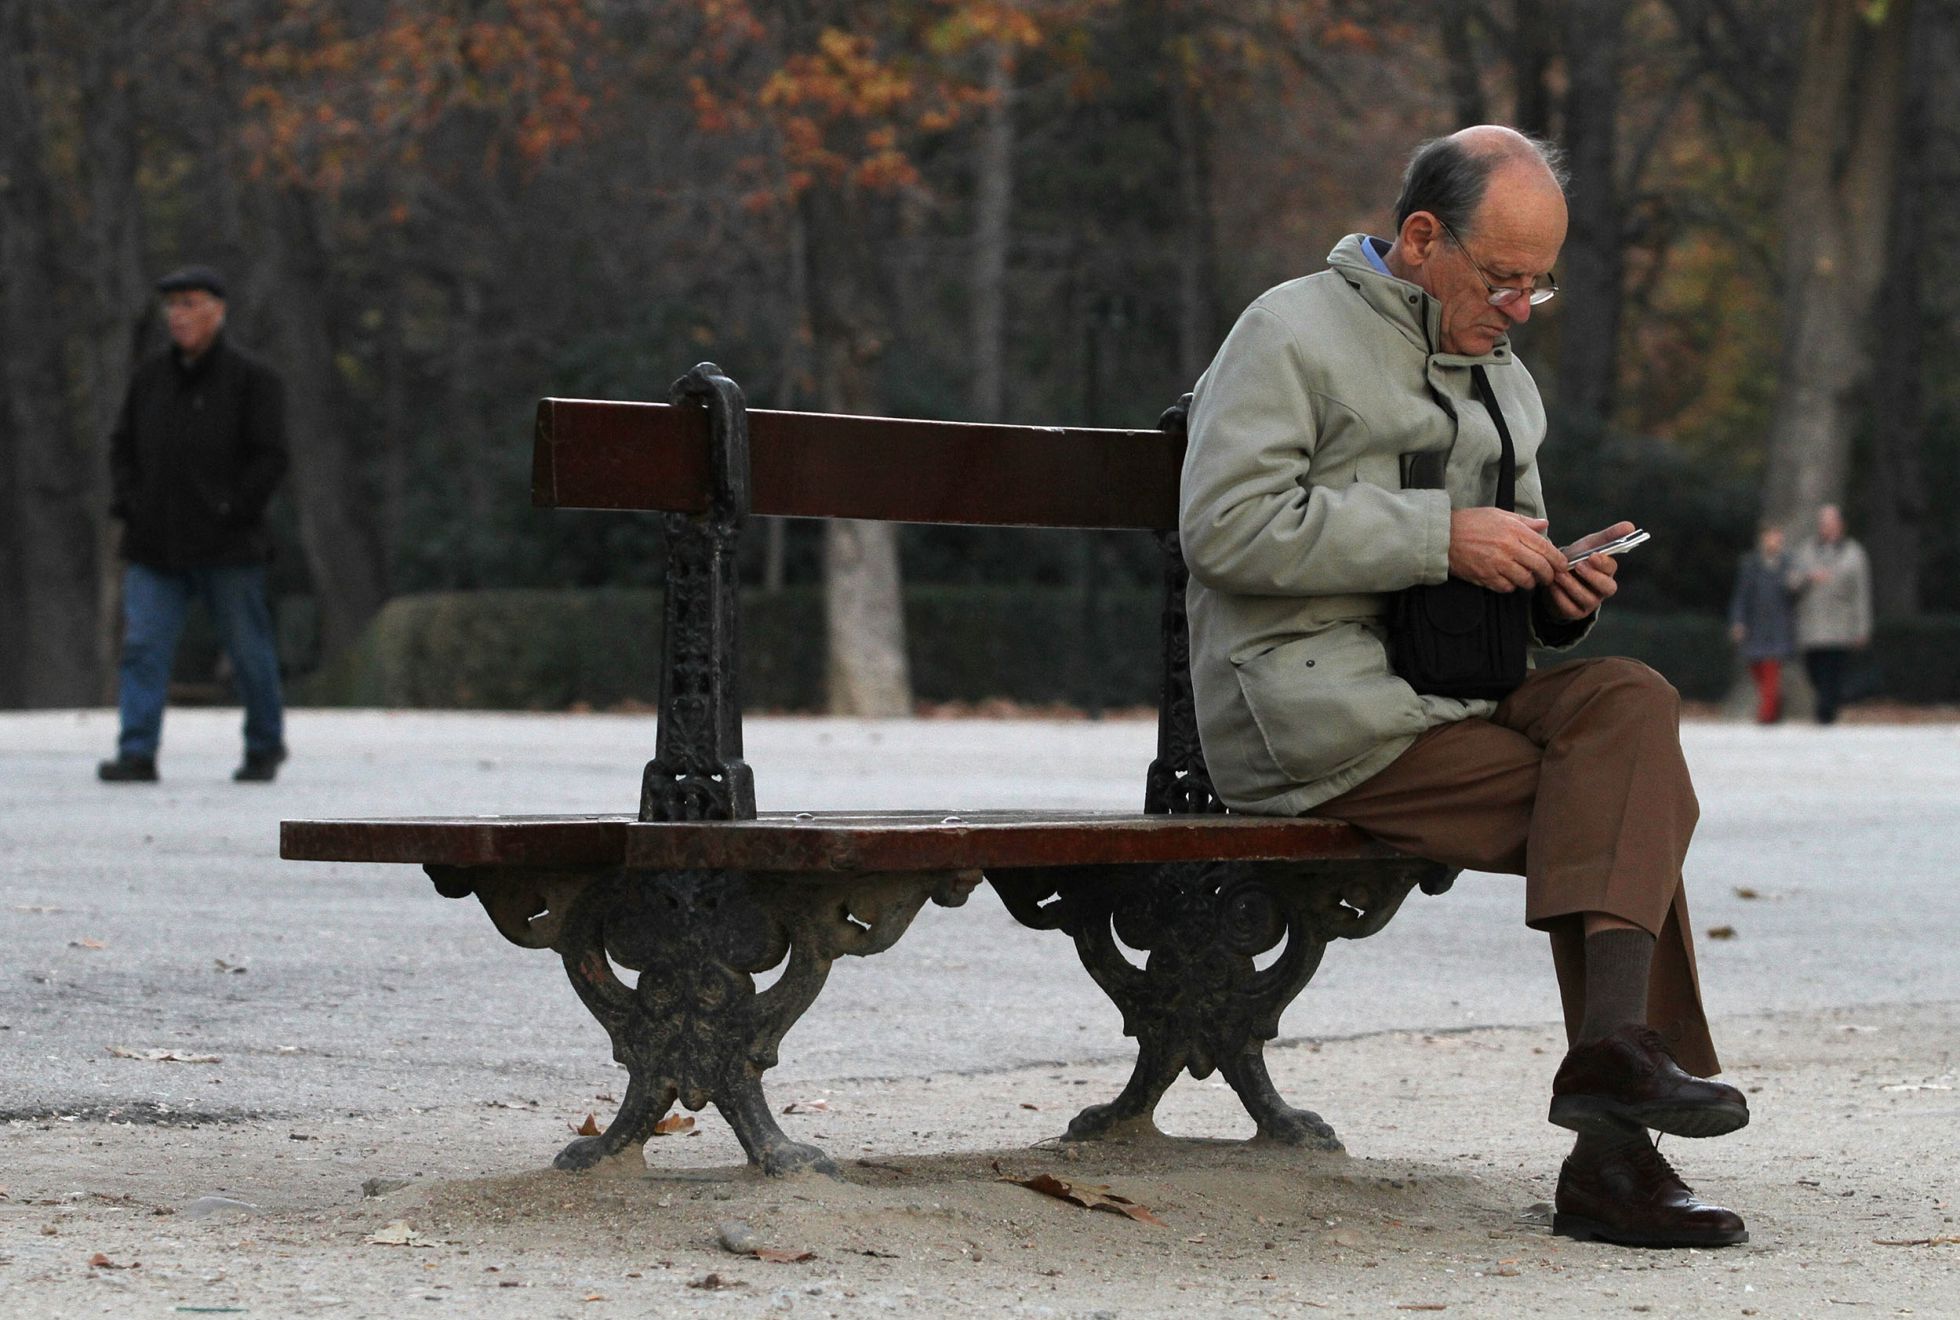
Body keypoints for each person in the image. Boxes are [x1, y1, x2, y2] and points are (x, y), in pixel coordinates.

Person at [1179, 126, 1747, 1249]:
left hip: (1458, 694)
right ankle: (1613, 1151)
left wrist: (1553, 590)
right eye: (1501, 280)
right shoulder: (1288, 333)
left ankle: (1609, 1070)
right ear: (1422, 238)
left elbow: (1502, 547)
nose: (1519, 307)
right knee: (1625, 809)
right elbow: (1223, 527)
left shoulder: (1505, 379)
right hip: (1315, 711)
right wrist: (1442, 537)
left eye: (1540, 285)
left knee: (1626, 702)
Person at [98, 265, 291, 784]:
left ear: (218, 310)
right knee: (142, 648)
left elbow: (271, 457)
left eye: (189, 303)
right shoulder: (149, 379)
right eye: (172, 305)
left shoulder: (253, 380)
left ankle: (264, 746)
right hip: (155, 542)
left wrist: (235, 509)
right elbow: (123, 447)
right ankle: (137, 751)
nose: (178, 315)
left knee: (248, 650)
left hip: (227, 545)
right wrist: (131, 501)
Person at [1787, 504, 1872, 725]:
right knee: (1815, 671)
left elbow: (1861, 593)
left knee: (1832, 673)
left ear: (1841, 525)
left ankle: (1825, 714)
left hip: (1839, 626)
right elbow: (1790, 582)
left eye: (1830, 523)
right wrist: (1808, 577)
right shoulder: (1805, 550)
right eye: (1822, 523)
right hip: (1812, 625)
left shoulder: (1854, 554)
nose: (1825, 527)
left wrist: (1862, 628)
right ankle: (1828, 705)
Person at [1728, 524, 1796, 723]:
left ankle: (1765, 715)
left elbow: (1794, 594)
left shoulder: (1788, 564)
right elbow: (1741, 596)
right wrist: (1738, 621)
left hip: (1778, 627)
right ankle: (1774, 706)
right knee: (1758, 669)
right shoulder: (1751, 565)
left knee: (1771, 671)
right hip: (1755, 626)